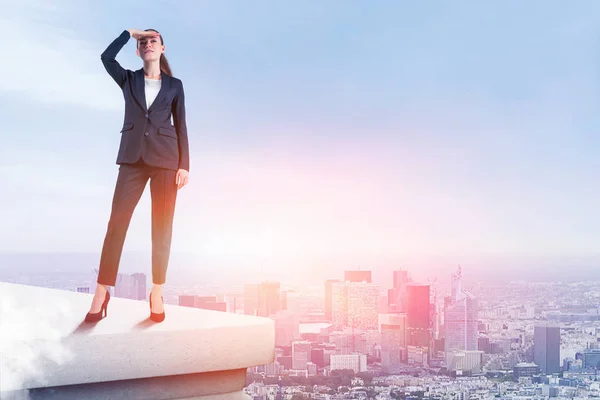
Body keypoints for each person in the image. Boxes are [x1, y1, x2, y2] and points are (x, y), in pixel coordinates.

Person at [85, 28, 190, 323]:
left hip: (167, 161)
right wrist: (128, 33)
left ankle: (156, 291)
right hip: (132, 159)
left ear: (163, 48)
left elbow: (181, 125)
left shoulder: (175, 85)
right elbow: (106, 57)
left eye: (152, 40)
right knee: (116, 222)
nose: (147, 44)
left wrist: (185, 165)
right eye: (142, 42)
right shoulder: (128, 79)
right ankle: (101, 291)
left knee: (162, 226)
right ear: (137, 49)